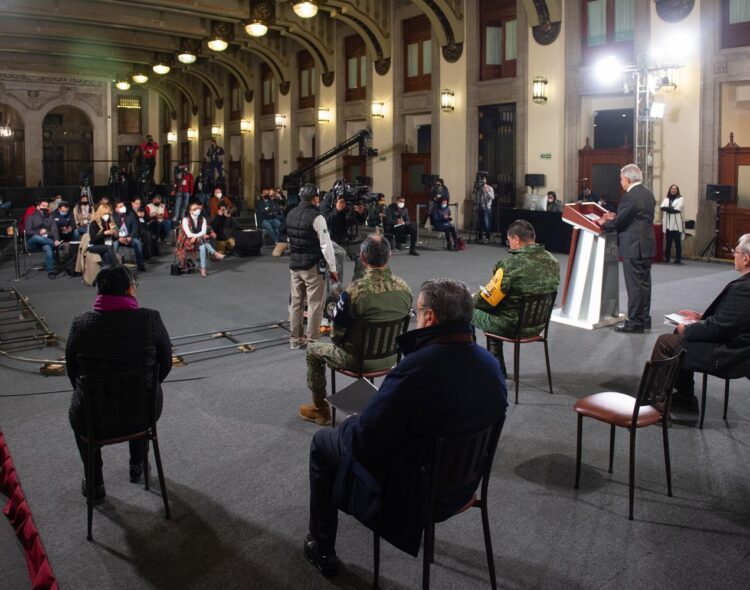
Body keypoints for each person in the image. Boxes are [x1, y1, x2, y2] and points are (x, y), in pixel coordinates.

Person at [303, 279, 508, 576]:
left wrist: (352, 423)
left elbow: (364, 442)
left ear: (430, 317)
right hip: (463, 487)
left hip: (415, 494)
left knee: (323, 443)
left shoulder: (416, 369)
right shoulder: (491, 366)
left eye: (417, 312)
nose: (415, 317)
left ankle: (321, 547)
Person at [65, 264, 172, 502]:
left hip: (93, 418)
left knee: (79, 410)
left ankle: (94, 483)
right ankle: (138, 465)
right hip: (143, 411)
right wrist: (148, 385)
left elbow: (71, 371)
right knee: (137, 396)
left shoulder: (81, 323)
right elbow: (165, 365)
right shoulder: (150, 319)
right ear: (129, 290)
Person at [300, 235, 412, 426]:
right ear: (390, 256)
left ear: (362, 258)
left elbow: (336, 336)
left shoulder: (354, 292)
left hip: (358, 360)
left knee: (312, 350)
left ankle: (320, 409)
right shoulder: (405, 288)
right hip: (392, 359)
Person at [651, 233, 750, 412]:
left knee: (666, 342)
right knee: (679, 337)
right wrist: (700, 317)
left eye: (735, 252)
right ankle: (684, 397)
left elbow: (720, 328)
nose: (733, 256)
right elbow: (736, 319)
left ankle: (657, 407)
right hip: (739, 345)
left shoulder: (744, 289)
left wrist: (689, 328)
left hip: (732, 353)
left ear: (746, 258)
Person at [473, 220, 560, 376]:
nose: (509, 245)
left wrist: (470, 300)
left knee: (466, 310)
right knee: (498, 310)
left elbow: (485, 301)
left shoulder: (509, 265)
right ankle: (497, 367)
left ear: (516, 239)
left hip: (512, 326)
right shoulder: (553, 261)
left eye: (509, 241)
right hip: (538, 326)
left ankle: (476, 364)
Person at [596, 164, 656, 333]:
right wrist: (616, 217)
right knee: (644, 284)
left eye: (621, 178)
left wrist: (603, 223)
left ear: (628, 179)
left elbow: (619, 222)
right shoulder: (647, 193)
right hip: (646, 244)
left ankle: (635, 322)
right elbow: (636, 217)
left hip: (634, 246)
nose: (621, 182)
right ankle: (644, 319)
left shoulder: (630, 196)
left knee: (634, 286)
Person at [286, 183, 338, 350]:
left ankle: (295, 339)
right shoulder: (318, 218)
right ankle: (313, 342)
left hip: (295, 266)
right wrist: (333, 269)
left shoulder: (290, 214)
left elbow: (290, 240)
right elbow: (326, 245)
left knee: (296, 303)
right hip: (312, 267)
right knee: (315, 305)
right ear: (315, 198)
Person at [176, 202, 225, 277]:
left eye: (198, 208)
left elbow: (204, 232)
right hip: (186, 241)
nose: (197, 210)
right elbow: (189, 234)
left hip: (198, 241)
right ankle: (214, 254)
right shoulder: (185, 220)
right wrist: (198, 236)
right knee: (202, 240)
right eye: (194, 209)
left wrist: (196, 237)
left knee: (202, 245)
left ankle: (203, 269)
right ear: (190, 211)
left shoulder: (203, 219)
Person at [25, 199, 62, 279]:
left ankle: (50, 271)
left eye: (46, 206)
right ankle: (55, 244)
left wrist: (56, 239)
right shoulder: (31, 217)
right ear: (38, 207)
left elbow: (54, 230)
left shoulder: (50, 218)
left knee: (48, 249)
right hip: (33, 242)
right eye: (43, 206)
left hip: (45, 241)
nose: (45, 208)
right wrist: (39, 232)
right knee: (36, 237)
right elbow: (28, 231)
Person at [112, 200, 146, 272]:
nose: (123, 207)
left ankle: (140, 264)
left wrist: (130, 237)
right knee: (114, 246)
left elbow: (135, 227)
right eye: (120, 206)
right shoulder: (112, 217)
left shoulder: (130, 215)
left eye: (123, 206)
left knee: (137, 243)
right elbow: (112, 229)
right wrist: (118, 238)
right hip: (118, 238)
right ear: (116, 209)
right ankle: (114, 267)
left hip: (129, 236)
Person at [661, 184, 685, 264]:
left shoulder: (680, 198)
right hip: (668, 224)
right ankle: (667, 258)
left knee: (677, 242)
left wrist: (668, 209)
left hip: (676, 225)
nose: (673, 190)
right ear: (670, 190)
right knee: (668, 242)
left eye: (675, 189)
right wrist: (670, 209)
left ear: (677, 190)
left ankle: (678, 259)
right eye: (672, 188)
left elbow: (677, 209)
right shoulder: (666, 198)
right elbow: (662, 207)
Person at [478, 176, 495, 242]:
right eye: (482, 179)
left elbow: (493, 197)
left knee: (487, 223)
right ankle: (480, 237)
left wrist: (487, 191)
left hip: (487, 208)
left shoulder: (490, 188)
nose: (483, 180)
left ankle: (487, 237)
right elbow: (477, 198)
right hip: (481, 207)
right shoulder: (479, 189)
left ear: (486, 180)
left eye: (484, 179)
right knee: (480, 224)